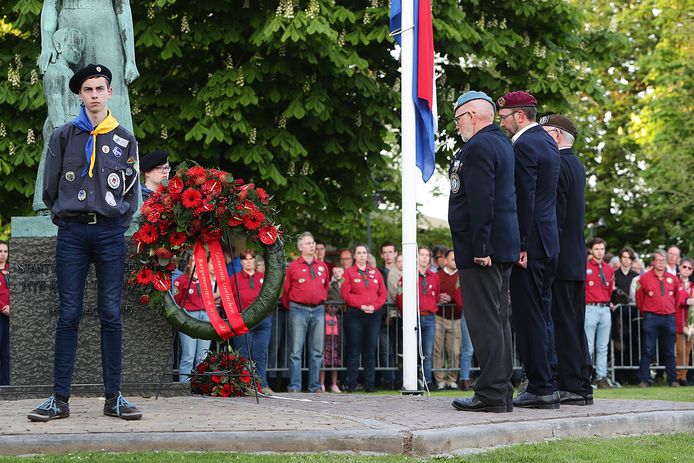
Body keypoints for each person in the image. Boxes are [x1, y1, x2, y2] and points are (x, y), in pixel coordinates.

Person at [29, 64, 141, 421]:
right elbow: (50, 187)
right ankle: (59, 400)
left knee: (111, 314)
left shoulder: (125, 138)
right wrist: (65, 216)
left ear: (110, 93)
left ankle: (114, 398)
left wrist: (117, 220)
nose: (94, 94)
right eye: (88, 89)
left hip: (109, 233)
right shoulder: (64, 136)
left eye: (100, 88)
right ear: (79, 95)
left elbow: (130, 192)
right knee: (69, 314)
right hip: (73, 233)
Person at [448, 91, 519, 413]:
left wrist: (480, 247)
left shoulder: (478, 147)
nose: (458, 125)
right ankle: (500, 390)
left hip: (482, 250)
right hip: (499, 245)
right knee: (498, 320)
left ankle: (491, 393)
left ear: (473, 115)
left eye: (459, 118)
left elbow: (481, 200)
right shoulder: (502, 143)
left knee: (485, 321)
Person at [498, 91, 561, 409]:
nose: (503, 122)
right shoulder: (547, 140)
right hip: (548, 240)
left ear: (519, 115)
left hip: (531, 243)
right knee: (543, 313)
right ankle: (546, 380)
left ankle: (540, 385)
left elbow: (525, 198)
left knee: (529, 315)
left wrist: (520, 244)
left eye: (505, 116)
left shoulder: (523, 144)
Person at [541, 114, 593, 405]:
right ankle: (581, 384)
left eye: (546, 133)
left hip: (560, 256)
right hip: (574, 257)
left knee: (563, 324)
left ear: (557, 136)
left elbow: (556, 218)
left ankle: (572, 384)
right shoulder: (576, 164)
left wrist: (548, 253)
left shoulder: (558, 165)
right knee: (573, 323)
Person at [33, 27, 86, 214]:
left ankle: (64, 202)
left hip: (72, 126)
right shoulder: (54, 71)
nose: (77, 52)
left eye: (80, 49)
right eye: (74, 46)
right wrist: (61, 127)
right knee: (51, 162)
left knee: (68, 165)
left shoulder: (70, 74)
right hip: (60, 125)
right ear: (58, 46)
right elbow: (54, 99)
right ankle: (43, 203)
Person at [281, 232, 329, 393]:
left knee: (317, 351)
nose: (312, 246)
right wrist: (293, 307)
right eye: (308, 243)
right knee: (296, 351)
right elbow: (286, 291)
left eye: (313, 243)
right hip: (298, 309)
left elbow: (325, 287)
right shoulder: (293, 267)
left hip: (318, 310)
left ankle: (314, 386)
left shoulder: (322, 267)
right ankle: (295, 385)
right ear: (300, 247)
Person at [341, 244, 387, 392]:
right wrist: (361, 305)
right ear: (355, 256)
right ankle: (352, 384)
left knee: (370, 350)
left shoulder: (375, 272)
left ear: (367, 255)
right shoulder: (348, 273)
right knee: (354, 350)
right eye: (359, 253)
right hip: (355, 315)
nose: (362, 255)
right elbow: (346, 294)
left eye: (364, 253)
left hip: (373, 315)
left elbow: (383, 293)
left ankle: (369, 384)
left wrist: (375, 306)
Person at [229, 249, 272, 394]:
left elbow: (271, 297)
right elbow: (227, 299)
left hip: (263, 321)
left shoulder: (263, 278)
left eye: (251, 258)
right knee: (243, 355)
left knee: (260, 354)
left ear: (255, 261)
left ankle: (262, 385)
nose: (248, 261)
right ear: (241, 262)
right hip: (243, 321)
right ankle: (244, 386)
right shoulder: (234, 279)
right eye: (245, 259)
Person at [636, 250, 681, 387]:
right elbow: (639, 298)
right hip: (651, 317)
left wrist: (671, 310)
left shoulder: (673, 278)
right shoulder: (644, 278)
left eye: (663, 260)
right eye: (658, 260)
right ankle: (644, 379)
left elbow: (677, 299)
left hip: (669, 317)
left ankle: (673, 380)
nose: (661, 263)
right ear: (653, 262)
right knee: (648, 349)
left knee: (669, 350)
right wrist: (646, 313)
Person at [397, 247, 439, 389]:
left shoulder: (434, 277)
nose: (425, 257)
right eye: (422, 254)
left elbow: (437, 295)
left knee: (427, 352)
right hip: (413, 318)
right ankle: (411, 381)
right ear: (416, 257)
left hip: (429, 317)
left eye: (427, 255)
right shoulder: (408, 276)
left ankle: (427, 381)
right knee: (411, 351)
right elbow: (400, 297)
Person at [173, 256, 214, 383]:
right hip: (189, 316)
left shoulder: (206, 280)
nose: (197, 263)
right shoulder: (181, 280)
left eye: (199, 260)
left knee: (203, 355)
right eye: (194, 260)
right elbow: (177, 300)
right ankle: (184, 385)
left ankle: (200, 385)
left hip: (205, 316)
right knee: (188, 355)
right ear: (189, 264)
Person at [584, 237, 615, 389]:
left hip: (604, 308)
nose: (600, 252)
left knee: (603, 346)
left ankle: (601, 377)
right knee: (588, 345)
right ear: (591, 250)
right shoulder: (584, 265)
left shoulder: (609, 269)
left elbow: (610, 290)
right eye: (597, 249)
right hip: (590, 307)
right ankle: (586, 376)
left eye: (602, 249)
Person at [434, 249, 464, 390]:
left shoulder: (462, 276)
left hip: (456, 318)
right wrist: (439, 298)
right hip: (439, 317)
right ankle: (439, 379)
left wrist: (451, 299)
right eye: (452, 259)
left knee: (455, 351)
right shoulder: (437, 276)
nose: (455, 261)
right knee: (438, 350)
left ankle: (452, 379)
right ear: (445, 260)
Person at [676, 257, 693, 385]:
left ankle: (683, 376)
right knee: (680, 350)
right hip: (677, 321)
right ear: (679, 267)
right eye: (684, 267)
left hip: (690, 322)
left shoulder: (692, 285)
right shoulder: (674, 282)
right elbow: (676, 299)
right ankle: (677, 375)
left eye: (689, 268)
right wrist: (687, 301)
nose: (686, 270)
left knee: (687, 350)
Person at [0, 241, 9, 385]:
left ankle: (6, 385)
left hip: (10, 316)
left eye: (5, 251)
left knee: (7, 353)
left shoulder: (11, 271)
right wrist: (3, 307)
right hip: (2, 313)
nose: (2, 255)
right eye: (0, 251)